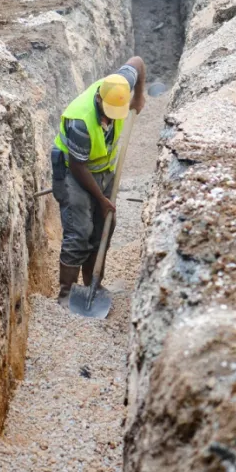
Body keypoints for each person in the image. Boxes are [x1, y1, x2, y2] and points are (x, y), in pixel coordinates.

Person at [52, 57, 146, 304]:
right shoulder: (80, 122)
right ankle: (66, 295)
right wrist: (101, 199)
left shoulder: (119, 86)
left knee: (105, 226)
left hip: (103, 170)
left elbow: (137, 62)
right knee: (80, 232)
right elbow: (78, 166)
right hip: (74, 174)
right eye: (108, 114)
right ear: (98, 100)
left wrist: (138, 96)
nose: (112, 119)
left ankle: (93, 285)